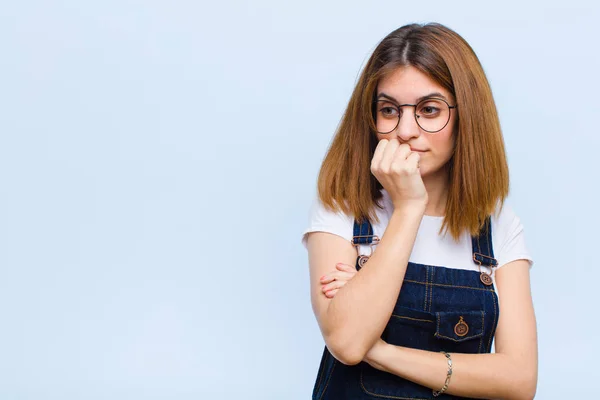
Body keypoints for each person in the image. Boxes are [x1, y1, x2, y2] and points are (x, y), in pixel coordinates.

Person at [301, 23, 538, 399]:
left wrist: (381, 351)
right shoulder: (342, 208)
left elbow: (519, 380)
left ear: (466, 118)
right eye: (389, 109)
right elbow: (346, 343)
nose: (405, 130)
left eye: (429, 109)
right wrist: (410, 207)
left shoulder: (497, 226)